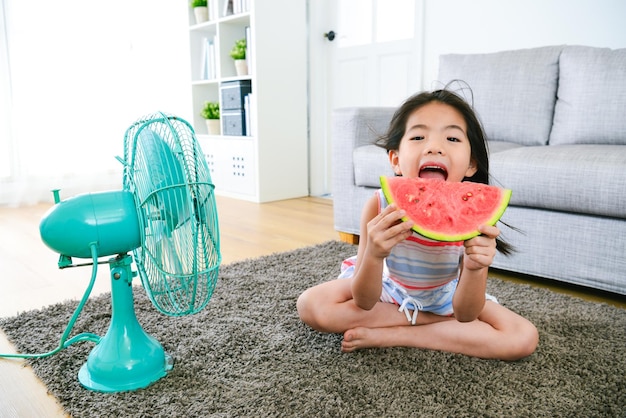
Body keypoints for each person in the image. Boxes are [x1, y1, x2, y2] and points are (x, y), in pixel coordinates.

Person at [297, 88, 538, 361]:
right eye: (418, 137)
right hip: (389, 289)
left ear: (472, 164)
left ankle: (397, 333)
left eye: (452, 137)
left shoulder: (476, 220)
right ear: (396, 160)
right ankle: (432, 325)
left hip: (447, 296)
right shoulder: (378, 205)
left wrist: (474, 268)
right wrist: (375, 256)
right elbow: (364, 300)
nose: (434, 147)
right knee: (312, 305)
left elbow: (466, 313)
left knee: (523, 337)